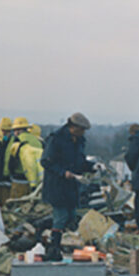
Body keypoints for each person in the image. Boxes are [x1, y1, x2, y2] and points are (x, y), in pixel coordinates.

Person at [41, 112, 95, 261]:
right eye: (81, 129)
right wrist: (63, 172)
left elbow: (80, 162)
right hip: (57, 185)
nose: (83, 133)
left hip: (71, 186)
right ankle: (54, 248)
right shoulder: (56, 139)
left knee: (71, 215)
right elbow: (46, 161)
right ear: (73, 127)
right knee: (61, 216)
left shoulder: (79, 141)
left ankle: (62, 244)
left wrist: (92, 167)